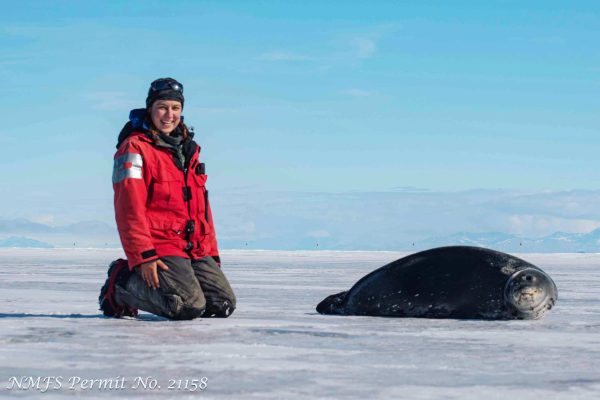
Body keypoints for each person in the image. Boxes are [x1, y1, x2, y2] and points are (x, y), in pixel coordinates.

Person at [99, 77, 236, 320]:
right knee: (187, 305)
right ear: (150, 109)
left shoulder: (188, 150)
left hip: (193, 246)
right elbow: (128, 207)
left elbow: (202, 208)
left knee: (221, 304)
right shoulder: (135, 148)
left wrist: (211, 254)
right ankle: (121, 283)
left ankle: (178, 277)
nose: (168, 115)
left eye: (175, 108)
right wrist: (142, 255)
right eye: (162, 107)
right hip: (159, 244)